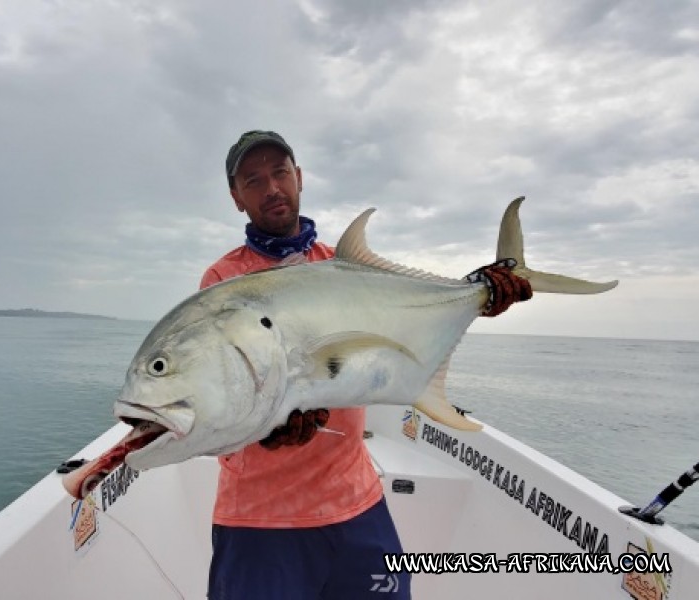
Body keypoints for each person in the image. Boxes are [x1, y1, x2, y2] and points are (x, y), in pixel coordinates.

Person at [201, 130, 531, 599]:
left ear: (299, 177)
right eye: (253, 180)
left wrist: (478, 294)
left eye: (279, 172)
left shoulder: (345, 266)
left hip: (354, 501)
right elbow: (219, 390)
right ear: (237, 198)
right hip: (259, 515)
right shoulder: (224, 282)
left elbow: (403, 326)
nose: (271, 187)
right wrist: (263, 427)